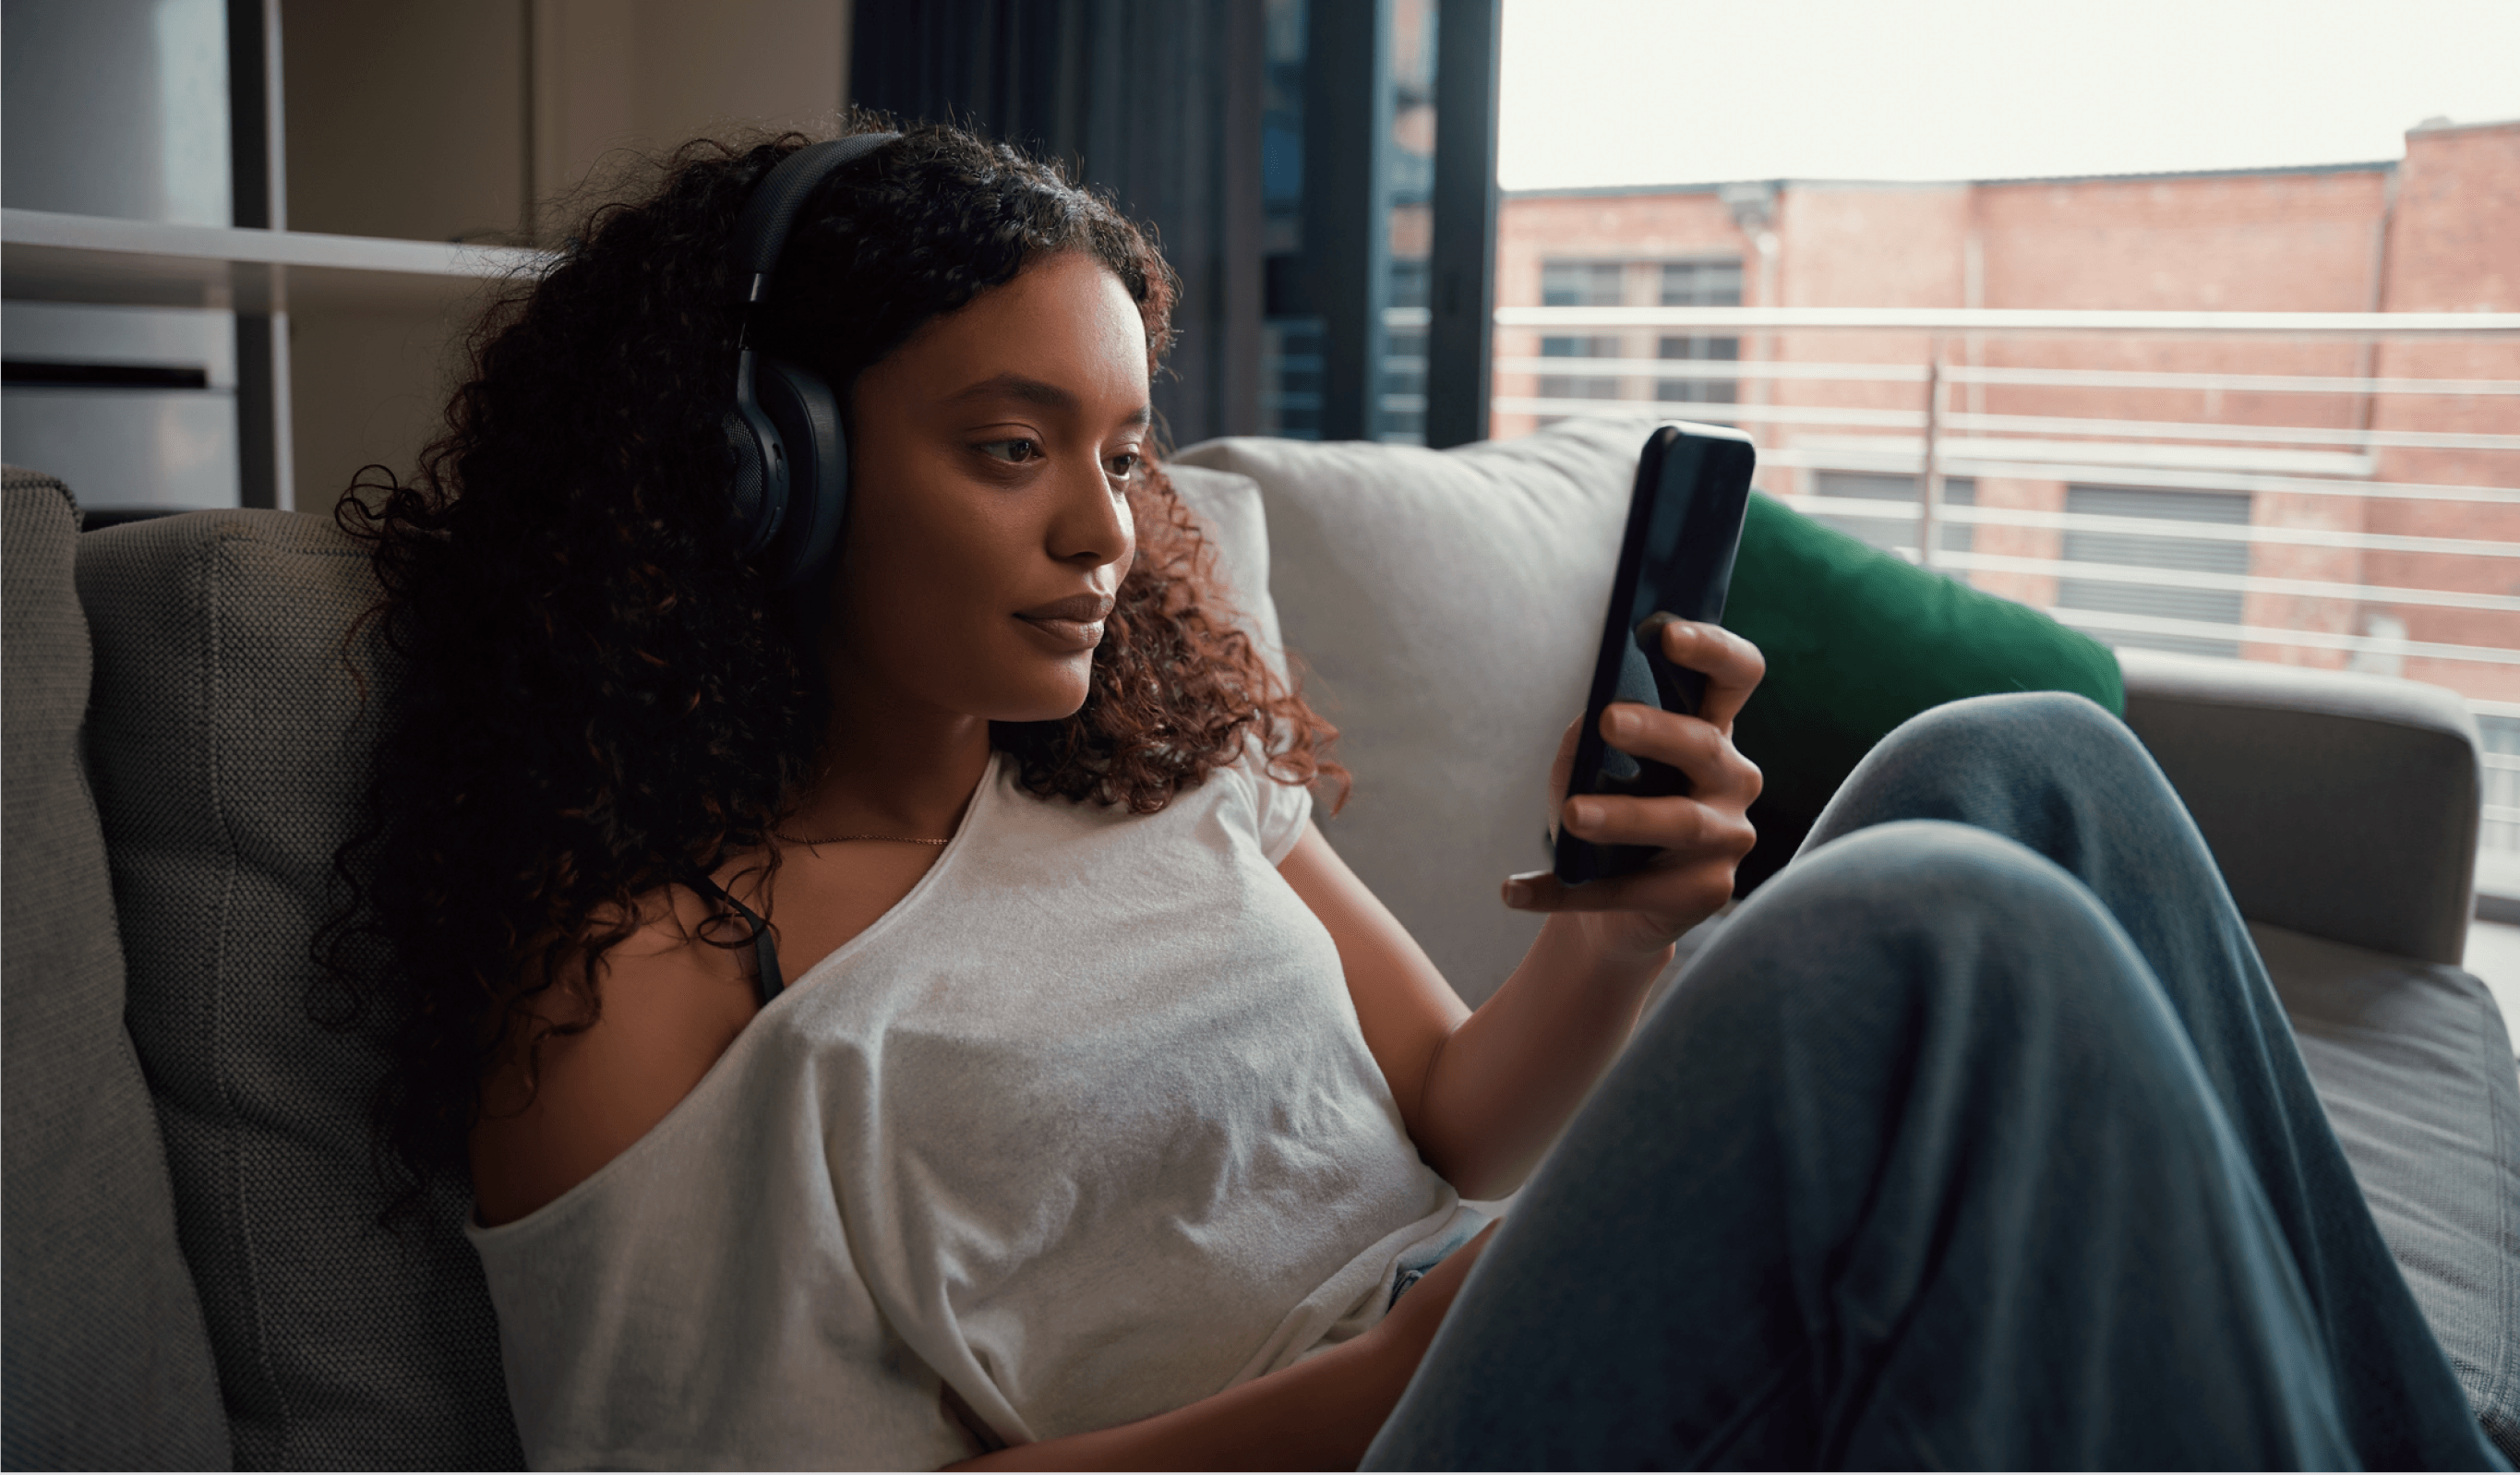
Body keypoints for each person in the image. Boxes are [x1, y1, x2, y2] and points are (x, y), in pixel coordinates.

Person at [334, 118, 2502, 1470]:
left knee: (2022, 766)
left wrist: (1636, 919)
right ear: (765, 481)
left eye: (1120, 451)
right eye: (1010, 449)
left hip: (1507, 1300)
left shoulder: (1151, 776)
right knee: (1932, 931)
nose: (1104, 532)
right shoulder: (650, 980)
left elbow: (1462, 1116)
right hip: (1380, 1434)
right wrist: (1385, 1382)